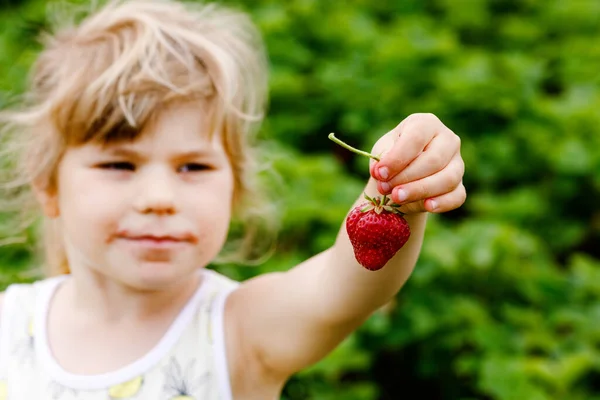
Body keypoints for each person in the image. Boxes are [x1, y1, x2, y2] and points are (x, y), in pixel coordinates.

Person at [0, 0, 466, 398]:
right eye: (120, 165)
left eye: (194, 167)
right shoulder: (9, 325)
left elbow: (339, 290)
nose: (159, 198)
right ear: (49, 186)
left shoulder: (238, 330)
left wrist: (395, 192)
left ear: (235, 187)